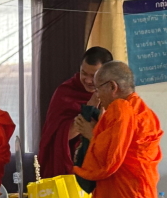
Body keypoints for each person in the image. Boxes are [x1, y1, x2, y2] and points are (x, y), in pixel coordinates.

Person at [73, 62, 163, 198]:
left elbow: (109, 160)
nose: (97, 96)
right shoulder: (145, 112)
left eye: (98, 89)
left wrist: (91, 135)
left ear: (112, 87)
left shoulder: (122, 109)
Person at [38, 47, 114, 178]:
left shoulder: (115, 95)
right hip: (72, 169)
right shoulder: (65, 92)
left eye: (94, 76)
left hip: (105, 166)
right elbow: (58, 137)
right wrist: (89, 108)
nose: (88, 80)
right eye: (84, 73)